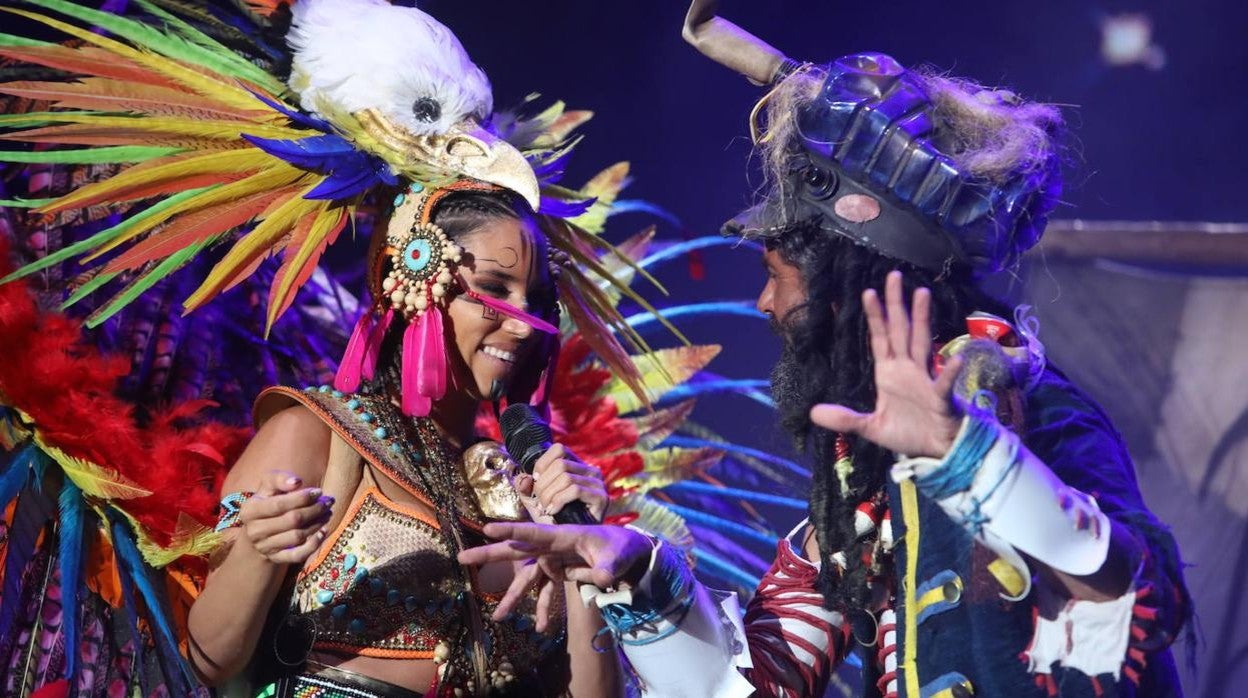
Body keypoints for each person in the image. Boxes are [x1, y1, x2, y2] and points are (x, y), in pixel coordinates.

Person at [457, 3, 1192, 696]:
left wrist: (966, 459)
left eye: (776, 277)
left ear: (848, 285)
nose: (763, 305)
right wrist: (634, 571)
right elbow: (748, 685)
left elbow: (1143, 593)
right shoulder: (861, 475)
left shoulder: (1033, 407)